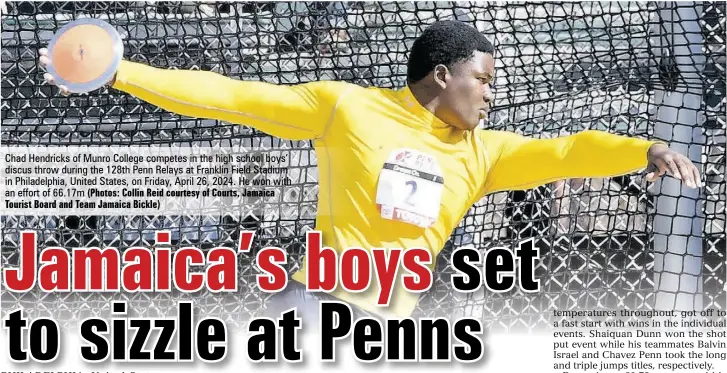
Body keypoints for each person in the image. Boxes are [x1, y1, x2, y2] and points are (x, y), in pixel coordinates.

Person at [39, 20, 701, 322]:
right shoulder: (345, 108)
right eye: (483, 80)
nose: (491, 93)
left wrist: (639, 149)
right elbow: (229, 95)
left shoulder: (483, 152)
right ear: (443, 75)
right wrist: (119, 71)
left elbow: (566, 150)